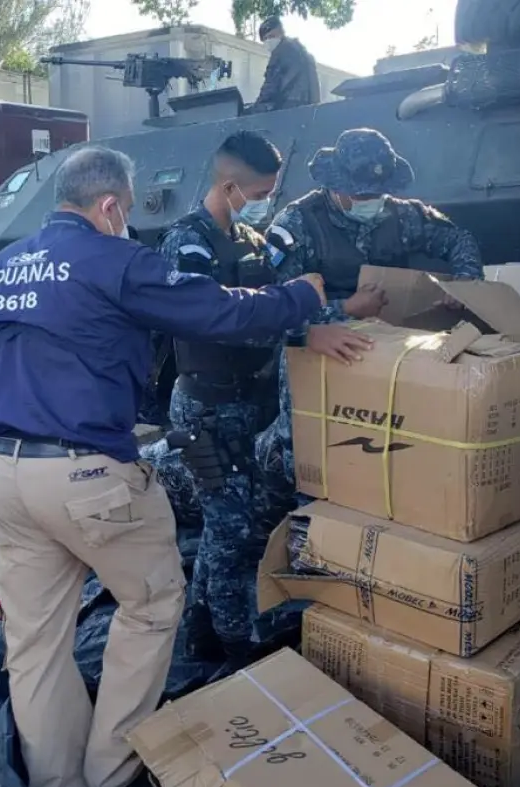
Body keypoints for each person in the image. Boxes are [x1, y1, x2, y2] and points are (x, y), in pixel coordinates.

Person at [0, 145, 329, 787]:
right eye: (126, 210)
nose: (127, 221)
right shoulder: (113, 260)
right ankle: (110, 769)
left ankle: (57, 786)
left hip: (4, 476)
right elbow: (217, 309)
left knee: (35, 644)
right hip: (84, 475)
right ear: (108, 206)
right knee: (153, 603)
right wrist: (299, 296)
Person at [154, 131, 373, 661]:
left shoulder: (252, 243)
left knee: (232, 523)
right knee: (232, 528)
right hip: (207, 406)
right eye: (259, 193)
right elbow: (212, 322)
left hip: (250, 403)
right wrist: (300, 333)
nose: (265, 202)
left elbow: (291, 300)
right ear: (230, 185)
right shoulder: (188, 244)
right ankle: (234, 644)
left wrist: (346, 309)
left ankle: (204, 623)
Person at [254, 127, 485, 503]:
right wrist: (342, 309)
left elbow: (457, 239)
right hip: (318, 348)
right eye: (361, 195)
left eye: (378, 194)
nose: (371, 201)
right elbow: (273, 307)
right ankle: (307, 515)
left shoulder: (401, 215)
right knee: (310, 449)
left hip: (387, 347)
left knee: (386, 441)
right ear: (336, 186)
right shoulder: (298, 224)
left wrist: (466, 281)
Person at [250, 16, 321, 113]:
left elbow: (270, 88)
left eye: (271, 36)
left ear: (281, 32)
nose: (268, 41)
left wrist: (254, 109)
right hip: (308, 108)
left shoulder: (281, 51)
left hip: (288, 108)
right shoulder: (300, 51)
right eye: (265, 39)